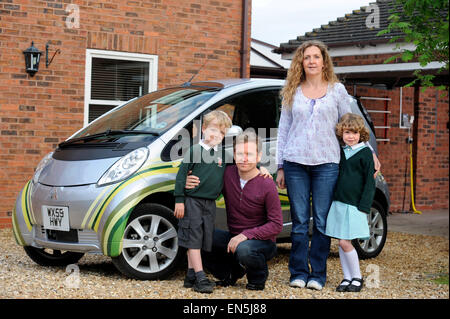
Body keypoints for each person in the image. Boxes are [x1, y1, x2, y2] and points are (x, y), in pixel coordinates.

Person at [276, 40, 381, 290]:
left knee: (322, 221)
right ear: (301, 62)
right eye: (307, 57)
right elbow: (283, 130)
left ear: (324, 61)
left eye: (316, 56)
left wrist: (369, 151)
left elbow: (350, 123)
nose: (311, 61)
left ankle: (318, 275)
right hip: (295, 163)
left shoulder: (337, 90)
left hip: (327, 164)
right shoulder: (292, 90)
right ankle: (299, 273)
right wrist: (280, 165)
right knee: (300, 222)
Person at [187, 130, 283, 291]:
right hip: (233, 236)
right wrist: (189, 179)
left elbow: (276, 225)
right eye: (240, 154)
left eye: (249, 154)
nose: (244, 159)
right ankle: (230, 273)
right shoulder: (227, 174)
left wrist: (245, 235)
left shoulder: (266, 184)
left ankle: (258, 277)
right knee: (198, 233)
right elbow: (205, 182)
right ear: (234, 154)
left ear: (258, 157)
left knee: (244, 249)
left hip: (262, 242)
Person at [173, 110, 232, 294]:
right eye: (213, 130)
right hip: (192, 202)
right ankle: (200, 276)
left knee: (202, 237)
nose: (217, 135)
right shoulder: (195, 150)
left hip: (210, 204)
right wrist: (179, 201)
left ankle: (190, 275)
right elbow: (181, 176)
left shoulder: (223, 155)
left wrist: (261, 167)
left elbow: (239, 165)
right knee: (194, 237)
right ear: (204, 129)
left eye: (222, 133)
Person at [325, 113, 375, 293]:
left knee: (346, 242)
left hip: (355, 205)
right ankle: (347, 277)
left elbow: (370, 182)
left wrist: (364, 206)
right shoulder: (342, 151)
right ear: (341, 133)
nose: (351, 136)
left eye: (354, 132)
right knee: (341, 243)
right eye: (347, 132)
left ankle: (357, 277)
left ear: (361, 134)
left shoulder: (365, 153)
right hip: (339, 203)